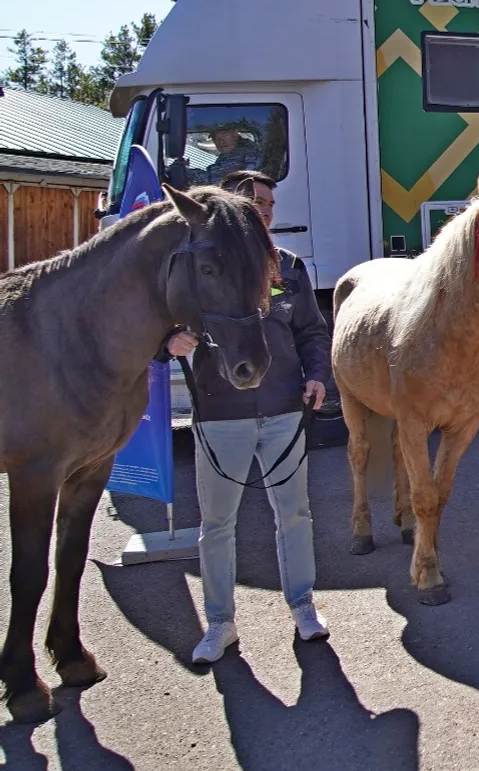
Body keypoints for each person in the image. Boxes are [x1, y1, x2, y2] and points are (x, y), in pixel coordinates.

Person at [162, 170, 331, 664]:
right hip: (221, 412)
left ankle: (303, 606)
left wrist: (317, 376)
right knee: (217, 523)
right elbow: (158, 321)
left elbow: (311, 331)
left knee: (294, 514)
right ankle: (220, 623)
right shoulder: (202, 267)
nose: (265, 210)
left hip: (283, 409)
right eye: (255, 201)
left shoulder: (290, 267)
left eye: (270, 203)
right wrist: (168, 341)